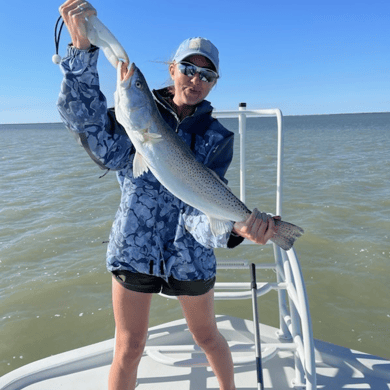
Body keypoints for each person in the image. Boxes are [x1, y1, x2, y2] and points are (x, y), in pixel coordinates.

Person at [57, 1, 278, 389]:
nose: (196, 79)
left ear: (214, 83)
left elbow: (202, 207)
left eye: (207, 74)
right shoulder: (134, 121)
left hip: (190, 256)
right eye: (188, 69)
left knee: (208, 338)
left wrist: (234, 229)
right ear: (172, 69)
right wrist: (82, 55)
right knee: (128, 346)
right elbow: (90, 128)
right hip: (133, 247)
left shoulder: (217, 137)